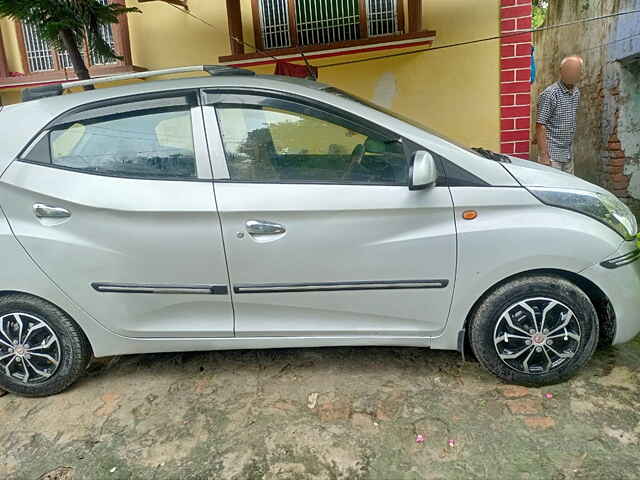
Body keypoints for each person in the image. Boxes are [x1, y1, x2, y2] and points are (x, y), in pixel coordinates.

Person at [536, 55, 583, 174]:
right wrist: (543, 155)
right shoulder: (551, 94)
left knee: (568, 189)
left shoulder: (576, 92)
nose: (571, 74)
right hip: (552, 154)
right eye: (568, 70)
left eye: (575, 71)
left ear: (580, 74)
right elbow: (540, 124)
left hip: (568, 153)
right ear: (561, 72)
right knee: (552, 189)